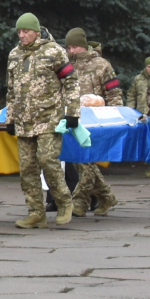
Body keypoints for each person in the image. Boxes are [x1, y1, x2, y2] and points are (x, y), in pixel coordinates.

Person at [7, 13, 80, 229]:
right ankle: (35, 212)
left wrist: (73, 113)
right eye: (19, 31)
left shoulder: (54, 51)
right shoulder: (14, 55)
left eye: (26, 31)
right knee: (27, 168)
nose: (22, 35)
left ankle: (64, 201)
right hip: (24, 121)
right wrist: (11, 118)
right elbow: (11, 90)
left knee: (47, 160)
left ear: (37, 32)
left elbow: (71, 82)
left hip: (49, 118)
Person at [63, 28, 123, 217]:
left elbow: (114, 93)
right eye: (69, 47)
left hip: (96, 121)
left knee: (85, 161)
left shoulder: (101, 65)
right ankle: (106, 196)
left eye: (75, 47)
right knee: (80, 161)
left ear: (84, 46)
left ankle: (80, 201)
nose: (72, 51)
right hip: (72, 119)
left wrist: (114, 117)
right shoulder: (65, 65)